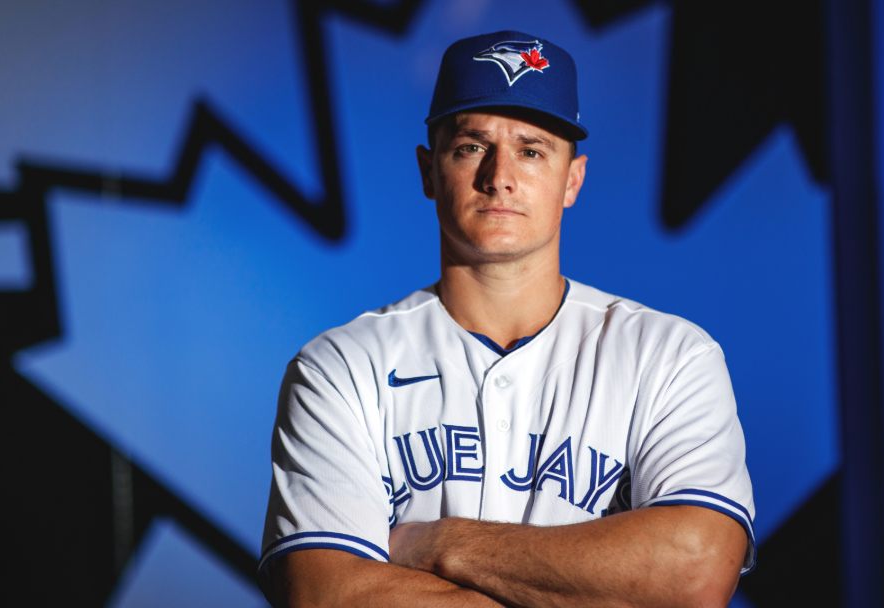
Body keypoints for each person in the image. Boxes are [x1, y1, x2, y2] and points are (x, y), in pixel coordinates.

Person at [259, 31, 755, 607]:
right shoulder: (341, 367)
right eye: (471, 146)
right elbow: (325, 595)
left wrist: (440, 544)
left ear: (573, 179)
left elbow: (695, 573)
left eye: (532, 149)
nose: (500, 175)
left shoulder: (670, 356)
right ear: (427, 170)